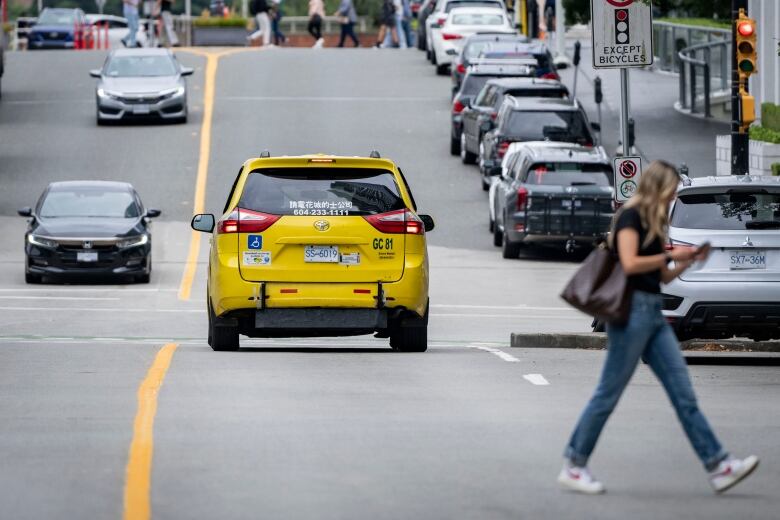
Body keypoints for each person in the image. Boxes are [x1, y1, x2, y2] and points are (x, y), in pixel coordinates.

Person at [559, 160, 759, 495]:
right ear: (656, 187)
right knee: (607, 394)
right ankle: (574, 465)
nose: (671, 199)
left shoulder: (653, 221)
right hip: (631, 314)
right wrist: (671, 256)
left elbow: (658, 276)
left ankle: (719, 465)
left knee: (684, 395)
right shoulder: (630, 217)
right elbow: (631, 262)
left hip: (652, 312)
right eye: (669, 192)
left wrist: (687, 260)